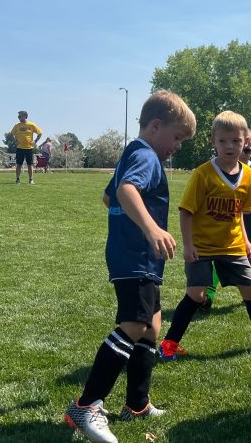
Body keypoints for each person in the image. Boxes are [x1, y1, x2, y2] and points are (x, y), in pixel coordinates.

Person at [64, 90, 196, 443]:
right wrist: (151, 227)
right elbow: (124, 191)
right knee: (135, 324)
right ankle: (87, 404)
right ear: (156, 127)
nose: (178, 146)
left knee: (152, 327)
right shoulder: (147, 156)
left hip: (138, 257)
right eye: (177, 137)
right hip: (135, 256)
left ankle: (137, 404)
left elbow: (108, 196)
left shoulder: (131, 153)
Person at [158, 110, 251, 361]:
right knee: (197, 295)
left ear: (245, 142)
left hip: (233, 245)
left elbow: (238, 213)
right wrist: (188, 245)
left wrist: (246, 240)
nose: (230, 146)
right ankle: (169, 344)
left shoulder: (249, 175)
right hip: (202, 247)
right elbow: (186, 212)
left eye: (236, 141)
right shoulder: (203, 174)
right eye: (223, 141)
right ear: (213, 141)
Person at [203, 128, 251, 309]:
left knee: (249, 263)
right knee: (219, 261)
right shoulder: (220, 170)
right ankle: (207, 297)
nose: (244, 154)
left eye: (248, 151)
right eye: (243, 150)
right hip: (229, 227)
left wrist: (250, 209)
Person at [10, 110, 42, 184]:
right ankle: (17, 179)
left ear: (25, 116)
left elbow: (40, 133)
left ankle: (31, 179)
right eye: (18, 116)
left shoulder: (31, 125)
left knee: (29, 165)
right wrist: (15, 141)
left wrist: (35, 141)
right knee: (19, 164)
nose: (18, 117)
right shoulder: (17, 126)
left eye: (20, 116)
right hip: (20, 148)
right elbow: (11, 134)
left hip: (29, 148)